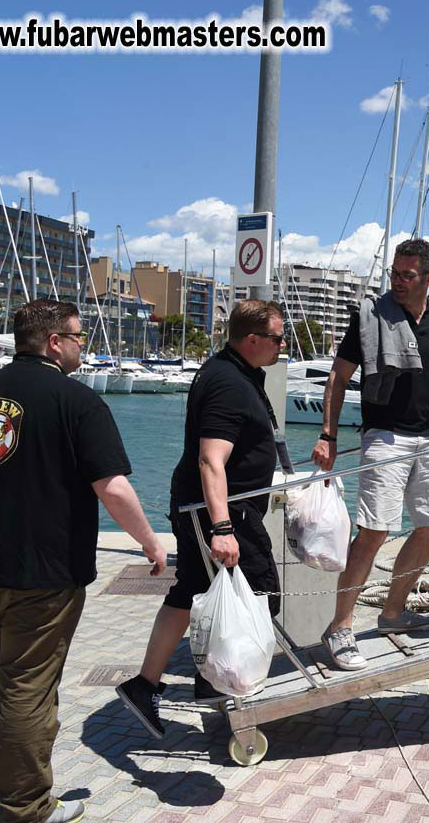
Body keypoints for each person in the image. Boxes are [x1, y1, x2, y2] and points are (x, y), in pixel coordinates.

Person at [0, 300, 166, 823]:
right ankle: (27, 806)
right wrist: (151, 543)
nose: (84, 347)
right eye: (79, 338)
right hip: (42, 571)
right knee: (28, 685)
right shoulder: (77, 401)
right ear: (55, 342)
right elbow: (112, 487)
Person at [310, 238, 429, 670]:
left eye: (407, 275)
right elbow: (338, 378)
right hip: (384, 436)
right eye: (394, 273)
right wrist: (327, 436)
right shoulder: (370, 316)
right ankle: (339, 627)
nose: (397, 281)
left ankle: (393, 613)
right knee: (374, 532)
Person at [117, 299, 287, 738]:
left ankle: (156, 685)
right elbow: (211, 459)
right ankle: (215, 680)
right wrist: (222, 529)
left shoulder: (235, 372)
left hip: (212, 508)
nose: (283, 346)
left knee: (192, 589)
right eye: (277, 338)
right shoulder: (228, 382)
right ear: (252, 340)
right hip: (220, 513)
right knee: (261, 592)